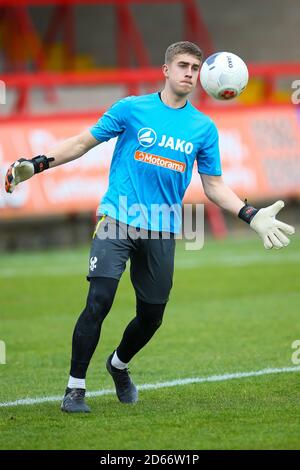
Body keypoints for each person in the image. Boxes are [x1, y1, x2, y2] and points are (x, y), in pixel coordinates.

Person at [5, 41, 295, 413]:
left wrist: (250, 215)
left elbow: (215, 186)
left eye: (195, 67)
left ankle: (118, 364)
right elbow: (82, 143)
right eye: (184, 65)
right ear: (166, 70)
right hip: (117, 219)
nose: (190, 72)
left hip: (162, 230)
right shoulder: (131, 109)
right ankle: (74, 388)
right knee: (99, 301)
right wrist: (38, 163)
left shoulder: (203, 129)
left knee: (151, 317)